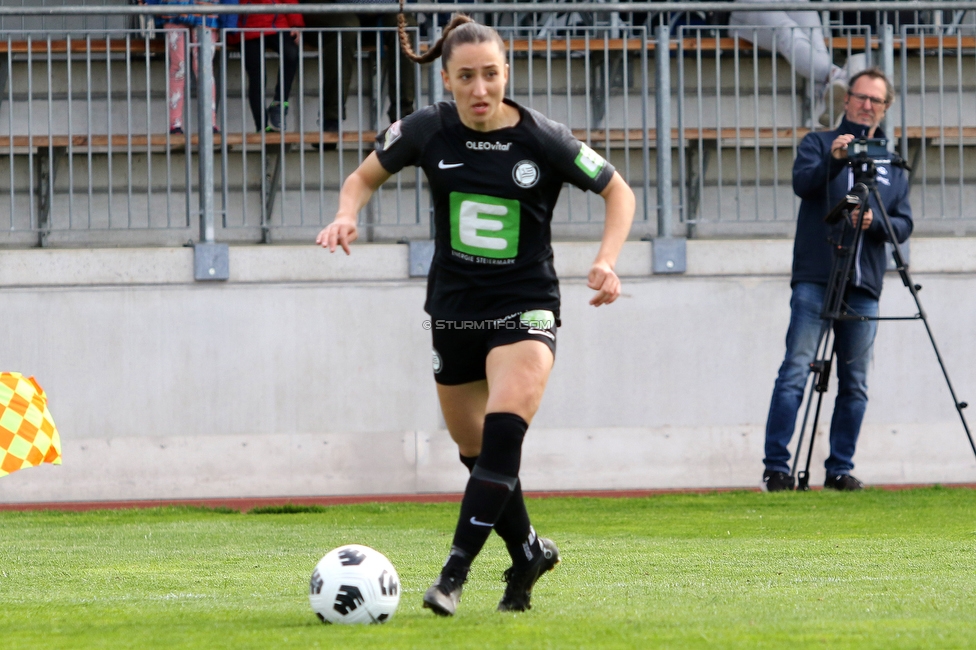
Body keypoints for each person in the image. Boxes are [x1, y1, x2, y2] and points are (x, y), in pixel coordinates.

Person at [316, 9, 635, 616]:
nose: (480, 89)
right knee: (477, 454)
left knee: (503, 431)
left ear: (507, 71)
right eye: (466, 77)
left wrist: (608, 259)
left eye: (491, 74)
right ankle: (529, 552)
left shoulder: (543, 137)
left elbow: (618, 190)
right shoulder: (425, 131)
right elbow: (361, 178)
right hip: (455, 310)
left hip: (526, 307)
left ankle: (452, 575)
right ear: (447, 80)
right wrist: (346, 212)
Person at [762, 67, 912, 492]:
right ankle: (777, 468)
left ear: (885, 108)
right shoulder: (820, 142)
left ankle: (840, 469)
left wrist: (875, 221)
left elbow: (904, 223)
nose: (866, 106)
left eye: (875, 101)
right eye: (860, 97)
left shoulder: (890, 160)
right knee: (796, 370)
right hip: (816, 275)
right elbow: (802, 184)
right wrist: (836, 160)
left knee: (856, 381)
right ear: (846, 101)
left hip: (864, 283)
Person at [728, 0, 865, 128]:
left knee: (814, 31)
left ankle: (827, 93)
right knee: (787, 30)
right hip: (749, 8)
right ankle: (837, 77)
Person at [301, 0, 416, 132]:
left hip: (380, 8)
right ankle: (331, 119)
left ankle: (404, 118)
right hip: (329, 7)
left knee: (406, 25)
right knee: (346, 26)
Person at [144, 0, 238, 135]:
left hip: (205, 12)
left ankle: (209, 124)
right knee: (181, 67)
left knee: (202, 67)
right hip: (176, 11)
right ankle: (176, 125)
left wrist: (228, 15)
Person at [232, 0, 304, 132]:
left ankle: (279, 104)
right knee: (258, 76)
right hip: (247, 26)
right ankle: (262, 126)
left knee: (292, 54)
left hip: (277, 23)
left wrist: (295, 24)